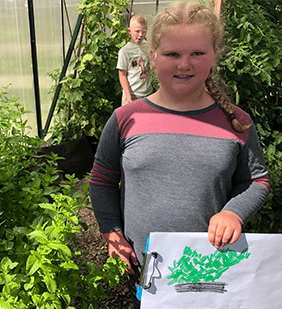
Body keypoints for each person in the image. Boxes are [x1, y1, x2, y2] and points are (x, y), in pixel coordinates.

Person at [89, 2, 270, 308]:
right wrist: (112, 233)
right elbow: (102, 181)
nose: (184, 64)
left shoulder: (235, 122)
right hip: (148, 273)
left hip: (213, 271)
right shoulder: (125, 119)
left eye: (197, 54)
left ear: (213, 55)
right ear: (152, 57)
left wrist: (232, 212)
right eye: (173, 54)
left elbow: (257, 181)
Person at [117, 14, 153, 105]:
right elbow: (122, 75)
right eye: (137, 31)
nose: (141, 35)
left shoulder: (148, 46)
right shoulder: (124, 51)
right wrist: (128, 96)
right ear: (129, 31)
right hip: (132, 95)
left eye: (143, 32)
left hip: (147, 93)